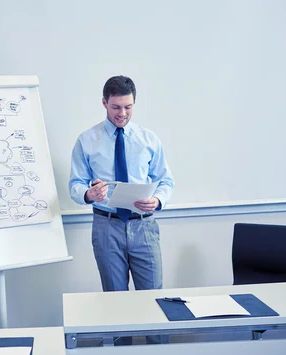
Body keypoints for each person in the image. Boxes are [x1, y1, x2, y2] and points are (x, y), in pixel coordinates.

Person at [69, 76, 174, 344]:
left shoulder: (149, 139)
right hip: (106, 226)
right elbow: (75, 184)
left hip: (144, 226)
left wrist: (158, 200)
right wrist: (88, 194)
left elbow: (165, 181)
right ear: (104, 103)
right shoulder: (86, 140)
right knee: (115, 303)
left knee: (154, 301)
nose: (122, 114)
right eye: (116, 107)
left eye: (128, 107)